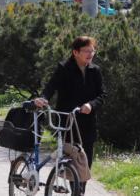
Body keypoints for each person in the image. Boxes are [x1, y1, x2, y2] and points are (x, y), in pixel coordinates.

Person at [34, 36, 106, 194]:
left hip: (87, 123)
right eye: (86, 51)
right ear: (75, 52)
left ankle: (80, 191)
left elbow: (102, 95)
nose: (90, 54)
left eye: (92, 51)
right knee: (73, 160)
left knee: (85, 161)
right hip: (67, 122)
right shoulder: (64, 68)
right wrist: (43, 98)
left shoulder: (95, 71)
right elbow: (51, 87)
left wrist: (91, 105)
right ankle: (77, 192)